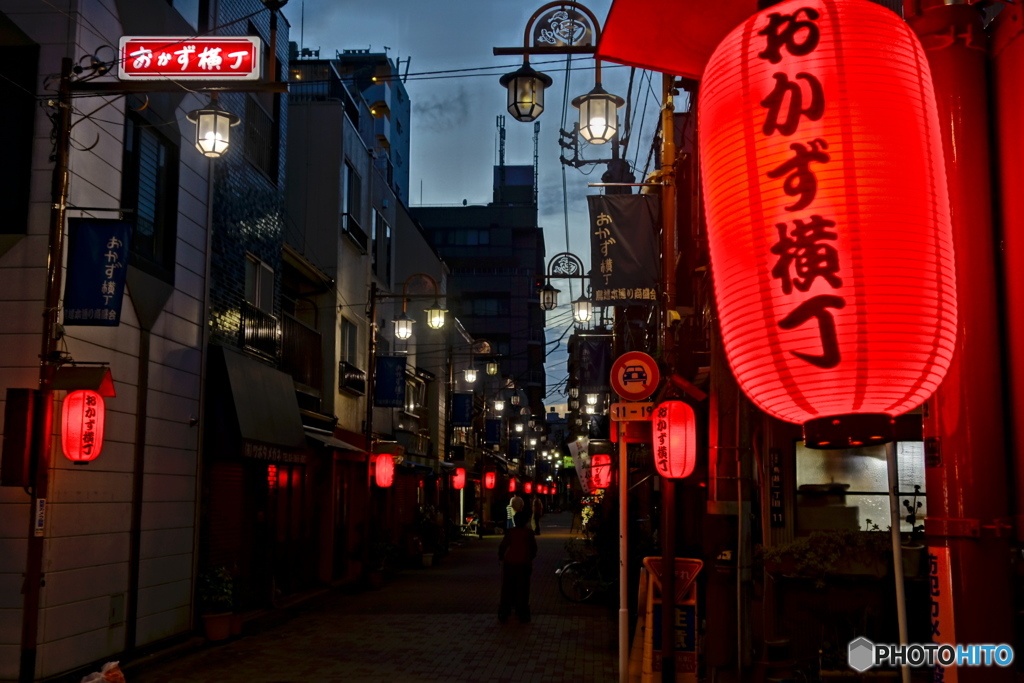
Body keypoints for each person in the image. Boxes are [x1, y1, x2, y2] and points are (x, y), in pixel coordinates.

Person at [498, 508, 537, 623]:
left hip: (509, 563)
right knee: (523, 588)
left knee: (507, 587)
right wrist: (530, 557)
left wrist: (501, 557)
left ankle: (505, 610)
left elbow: (503, 546)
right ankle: (522, 611)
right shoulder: (529, 533)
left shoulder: (510, 532)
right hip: (523, 563)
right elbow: (534, 548)